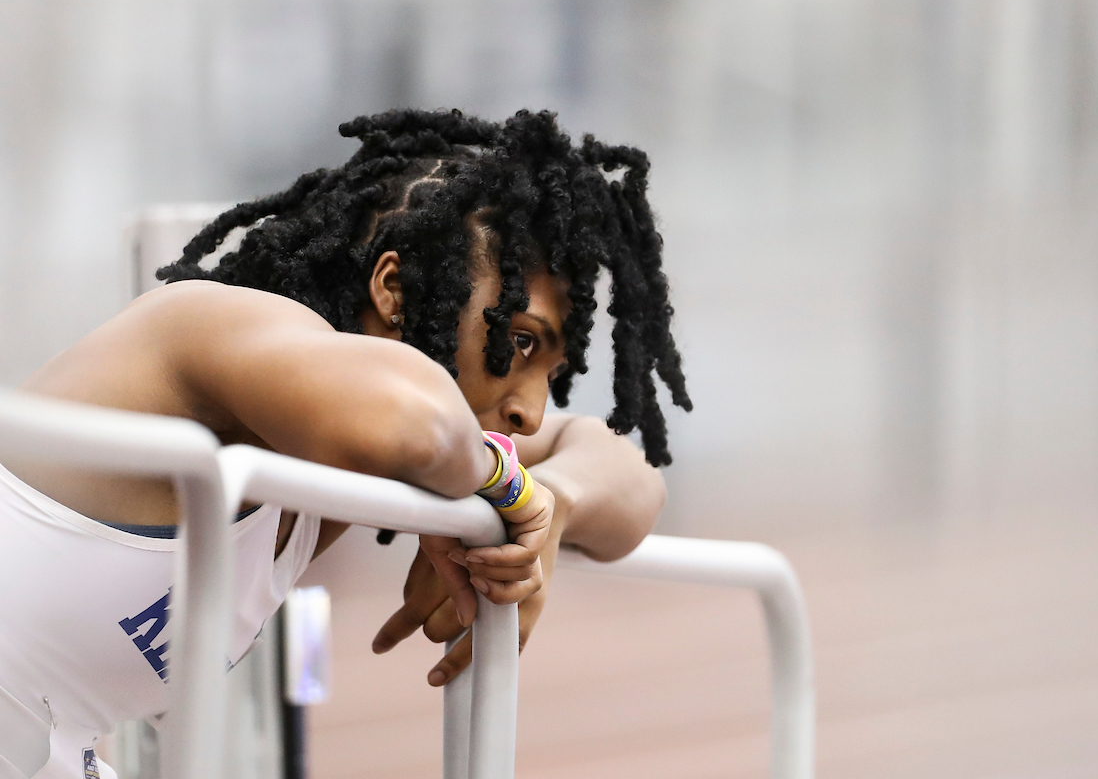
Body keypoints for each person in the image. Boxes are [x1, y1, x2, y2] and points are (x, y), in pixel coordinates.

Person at [0, 108, 691, 779]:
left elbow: (633, 487)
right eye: (518, 341)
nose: (532, 413)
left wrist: (552, 506)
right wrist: (506, 489)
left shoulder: (381, 453)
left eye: (552, 372)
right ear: (396, 289)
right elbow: (410, 427)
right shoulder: (210, 329)